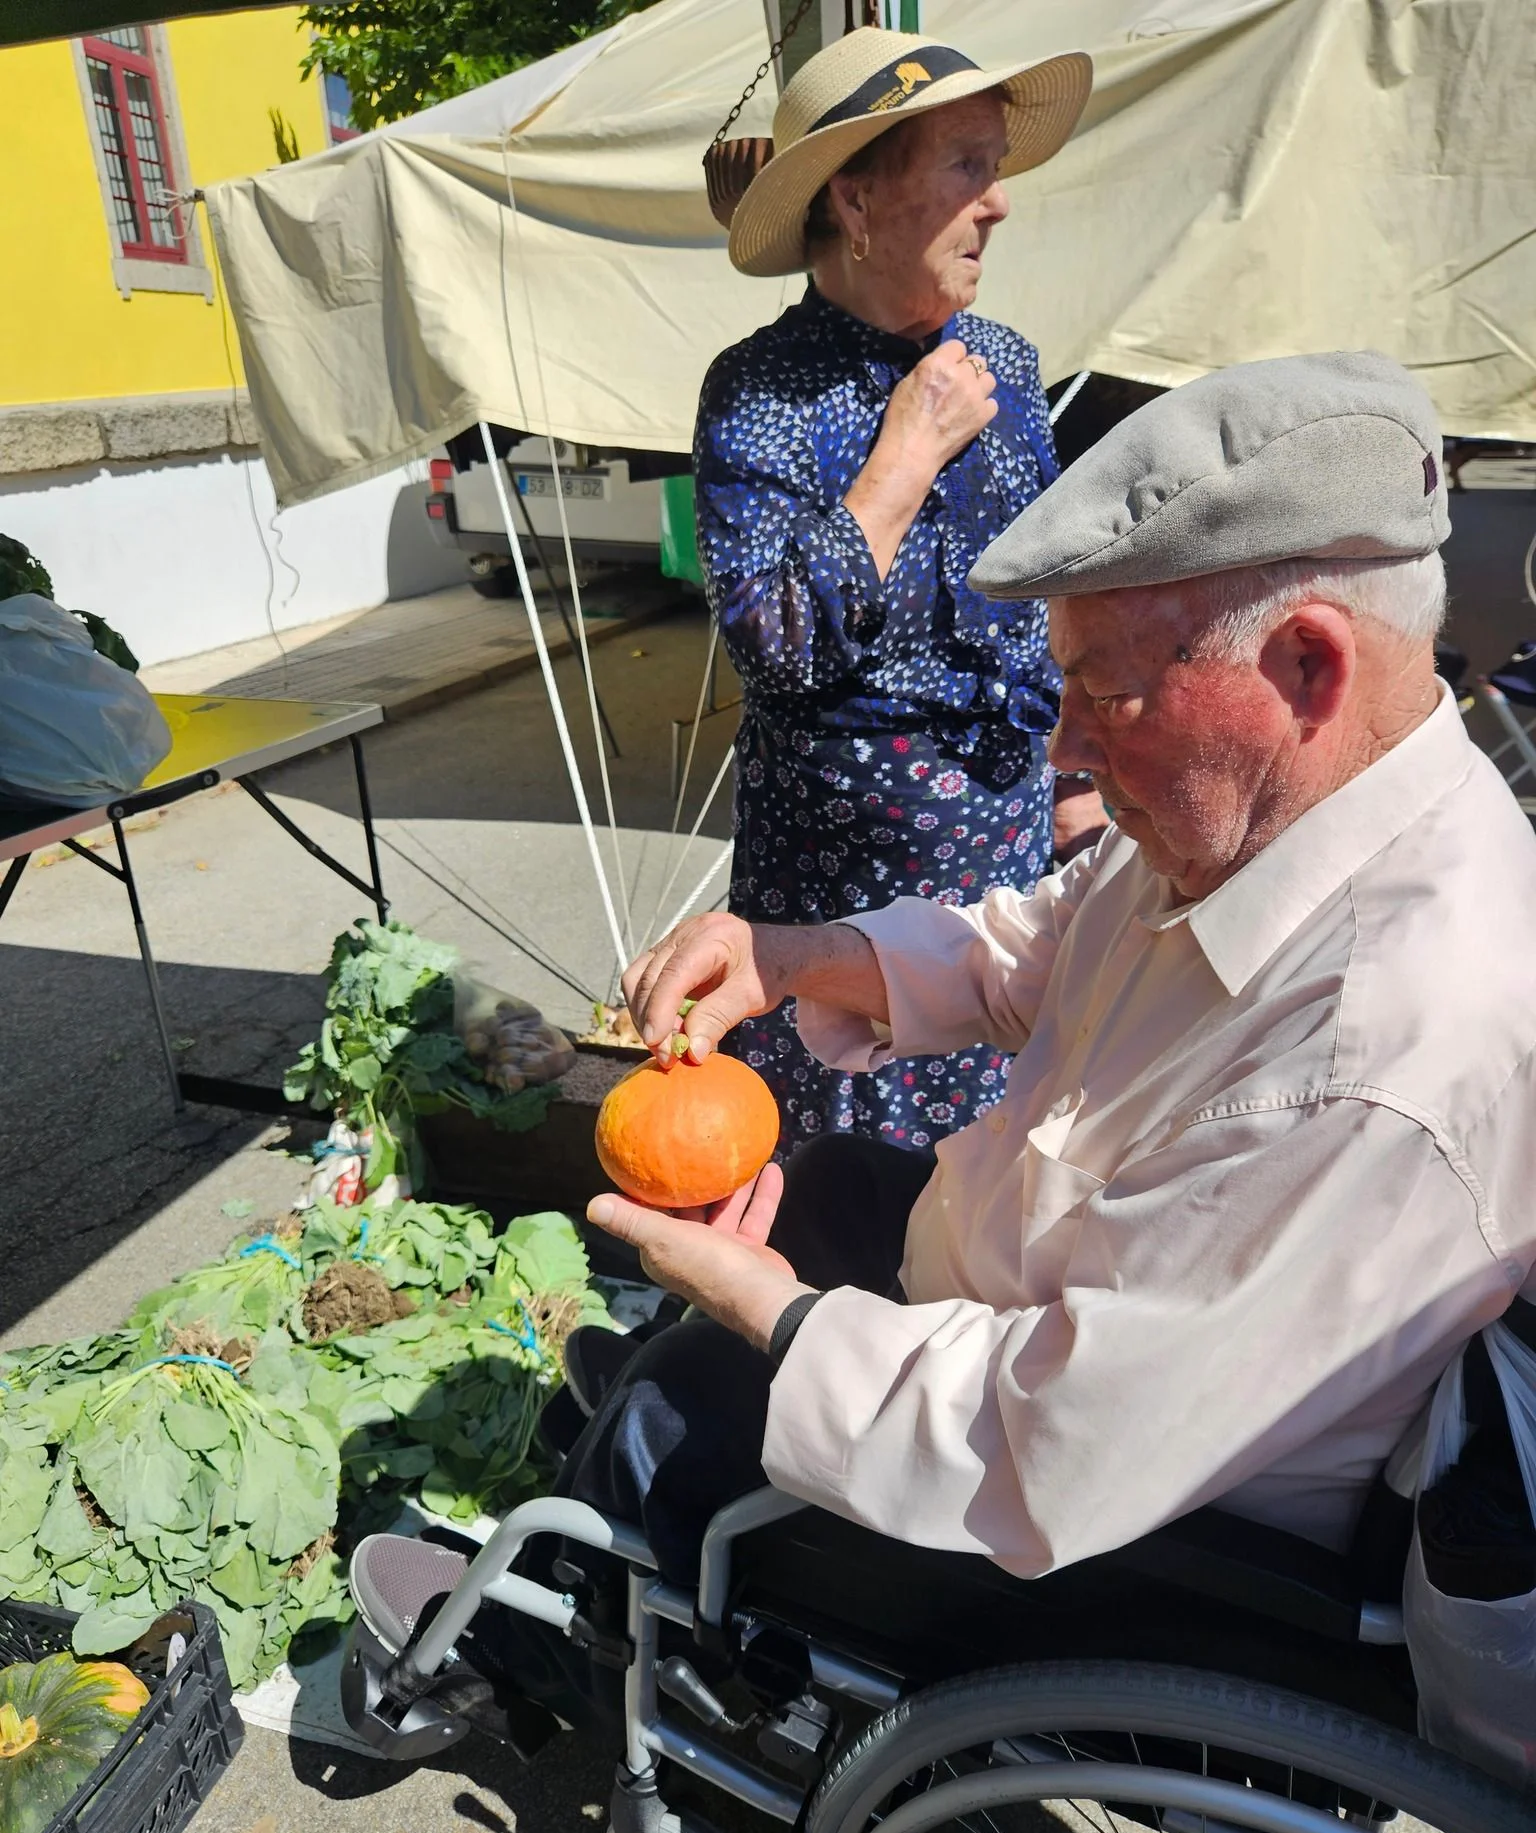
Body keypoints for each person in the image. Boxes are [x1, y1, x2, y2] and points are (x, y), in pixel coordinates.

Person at [357, 351, 1536, 1688]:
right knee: (839, 1180)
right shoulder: (1274, 811)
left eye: (1102, 692)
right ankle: (635, 1436)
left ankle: (547, 1634)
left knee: (686, 1407)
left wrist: (784, 1324)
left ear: (1306, 668)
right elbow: (1025, 950)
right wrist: (787, 954)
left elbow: (1059, 1442)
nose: (1062, 750)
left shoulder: (1394, 1041)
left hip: (1135, 1550)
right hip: (1060, 1338)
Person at [693, 27, 1107, 1154]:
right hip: (839, 884)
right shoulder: (762, 388)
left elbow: (1044, 588)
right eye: (968, 165)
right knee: (851, 1188)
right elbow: (775, 648)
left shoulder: (1005, 362)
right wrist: (903, 457)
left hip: (1003, 866)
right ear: (859, 201)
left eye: (996, 165)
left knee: (993, 1168)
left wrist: (1075, 780)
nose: (1000, 202)